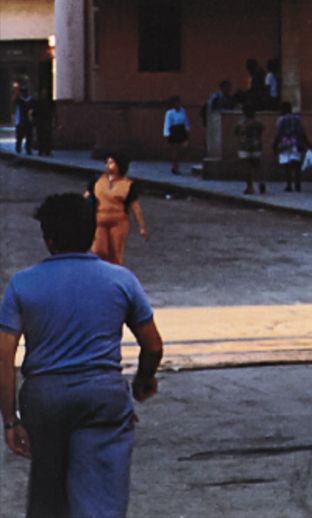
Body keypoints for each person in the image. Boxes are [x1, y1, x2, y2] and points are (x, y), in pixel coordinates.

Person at [0, 188, 163, 518]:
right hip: (102, 397)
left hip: (45, 399)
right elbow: (153, 345)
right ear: (91, 233)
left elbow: (4, 358)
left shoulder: (22, 284)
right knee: (101, 497)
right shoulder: (121, 280)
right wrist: (142, 382)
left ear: (48, 238)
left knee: (48, 495)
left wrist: (10, 420)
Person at [89, 160, 146, 269]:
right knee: (99, 250)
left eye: (111, 163)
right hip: (100, 219)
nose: (108, 166)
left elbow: (135, 206)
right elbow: (87, 196)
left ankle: (114, 274)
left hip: (118, 222)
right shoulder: (98, 181)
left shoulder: (127, 185)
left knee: (115, 253)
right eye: (107, 162)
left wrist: (141, 226)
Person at [273, 106, 308, 194]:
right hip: (295, 143)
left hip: (284, 144)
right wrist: (307, 143)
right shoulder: (297, 119)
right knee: (296, 165)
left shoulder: (280, 120)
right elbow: (302, 132)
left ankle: (289, 185)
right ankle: (297, 184)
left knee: (287, 166)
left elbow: (278, 133)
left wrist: (275, 145)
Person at [160, 99, 190, 177]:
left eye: (179, 103)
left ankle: (177, 163)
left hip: (182, 130)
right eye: (177, 103)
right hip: (174, 131)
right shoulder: (170, 113)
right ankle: (175, 167)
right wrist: (166, 133)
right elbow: (167, 123)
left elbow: (185, 121)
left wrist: (187, 129)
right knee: (175, 150)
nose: (178, 105)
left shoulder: (183, 111)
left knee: (183, 148)